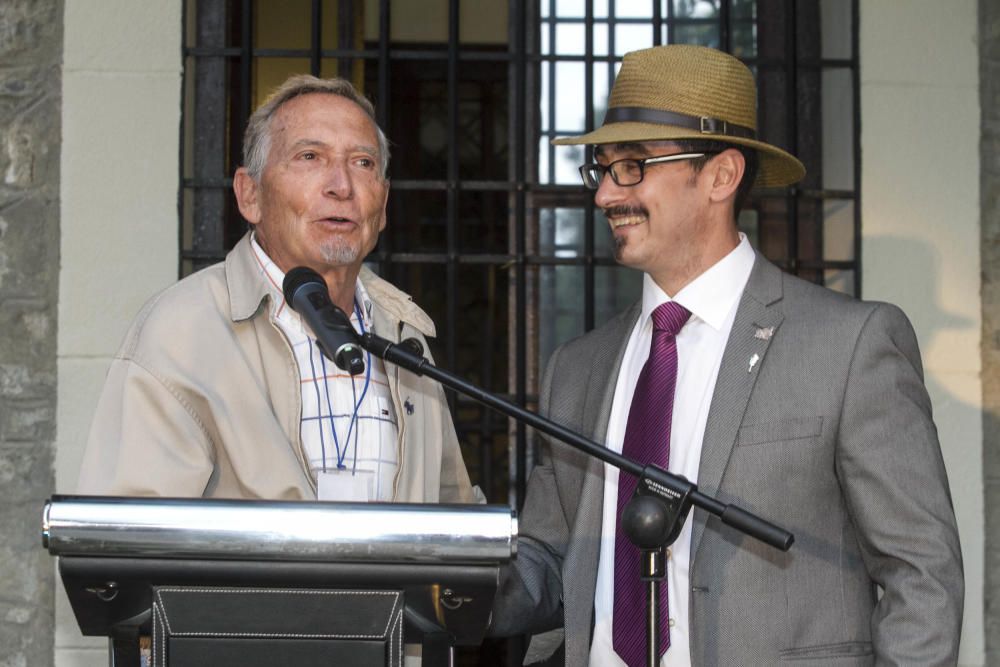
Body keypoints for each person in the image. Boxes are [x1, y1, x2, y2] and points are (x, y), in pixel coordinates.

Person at [490, 45, 963, 666]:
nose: (606, 195)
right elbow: (549, 563)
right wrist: (443, 577)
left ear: (721, 176)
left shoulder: (851, 344)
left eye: (632, 166)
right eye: (601, 169)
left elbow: (920, 575)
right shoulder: (575, 369)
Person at [78, 74, 480, 505]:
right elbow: (128, 540)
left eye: (362, 163)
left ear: (382, 206)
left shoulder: (404, 335)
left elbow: (450, 522)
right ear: (249, 194)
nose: (341, 186)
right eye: (310, 157)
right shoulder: (181, 332)